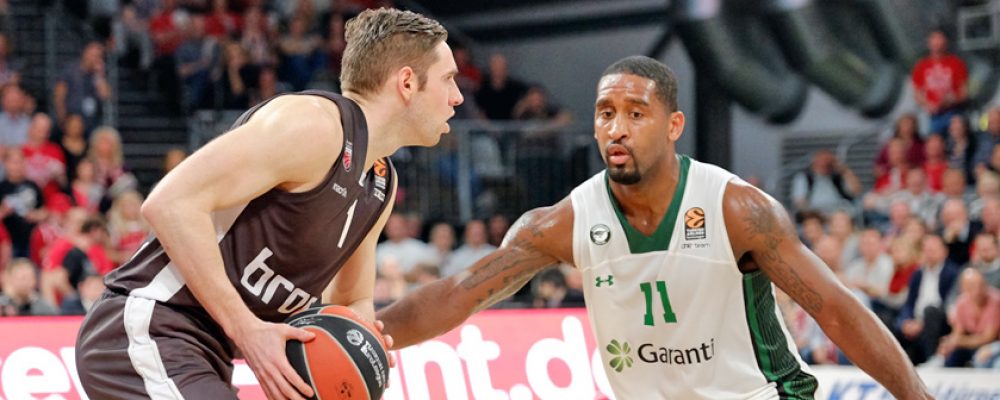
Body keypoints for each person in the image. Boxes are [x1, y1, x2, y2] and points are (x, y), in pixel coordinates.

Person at [377, 56, 931, 399]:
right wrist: (366, 333)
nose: (616, 128)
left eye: (636, 114)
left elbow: (834, 308)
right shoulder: (565, 221)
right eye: (605, 113)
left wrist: (917, 397)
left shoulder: (737, 209)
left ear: (673, 125)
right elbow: (458, 293)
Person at [76, 8, 462, 400]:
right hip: (149, 324)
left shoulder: (380, 181)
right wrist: (246, 329)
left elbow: (350, 301)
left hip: (205, 354)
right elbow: (169, 203)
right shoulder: (314, 126)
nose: (457, 96)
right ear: (407, 82)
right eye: (448, 79)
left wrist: (360, 349)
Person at [911, 29, 967, 136]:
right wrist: (928, 105)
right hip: (933, 115)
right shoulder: (921, 65)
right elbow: (917, 93)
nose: (937, 43)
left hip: (954, 112)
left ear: (946, 42)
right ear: (928, 43)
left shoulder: (956, 63)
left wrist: (951, 100)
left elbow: (964, 92)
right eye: (934, 39)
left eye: (939, 39)